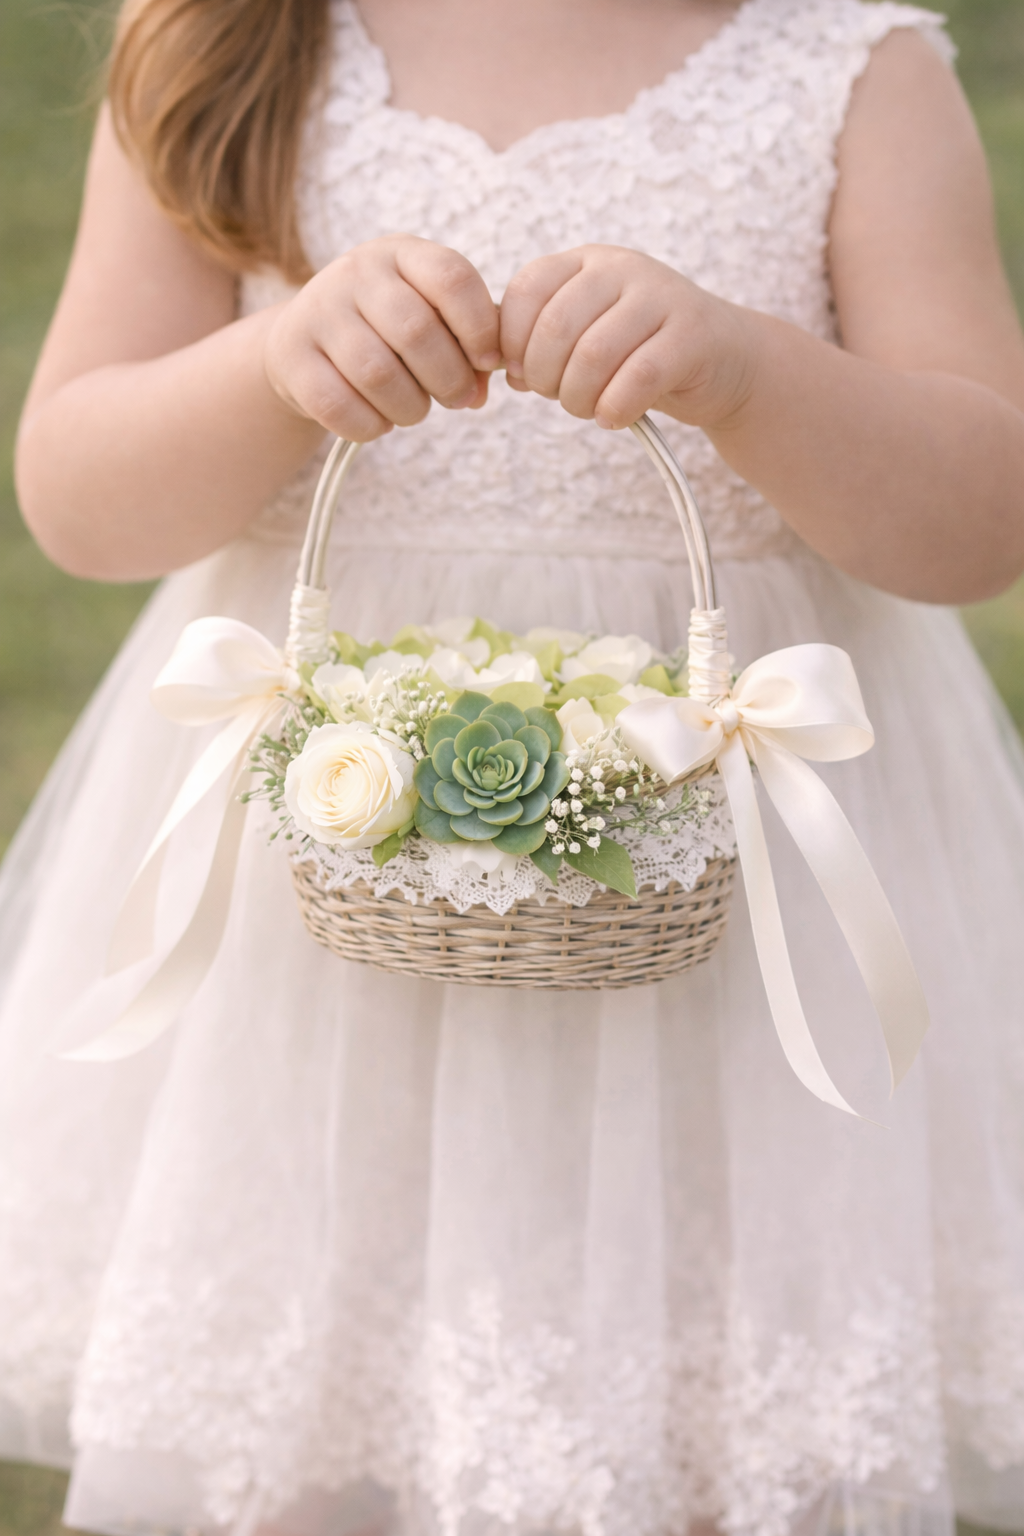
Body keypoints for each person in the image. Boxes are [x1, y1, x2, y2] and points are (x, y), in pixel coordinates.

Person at [4, 0, 1024, 1532]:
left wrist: (751, 377)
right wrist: (278, 363)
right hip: (323, 939)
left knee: (712, 1435)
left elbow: (981, 516)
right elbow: (82, 500)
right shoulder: (221, 39)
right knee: (306, 1434)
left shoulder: (848, 67)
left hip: (737, 939)